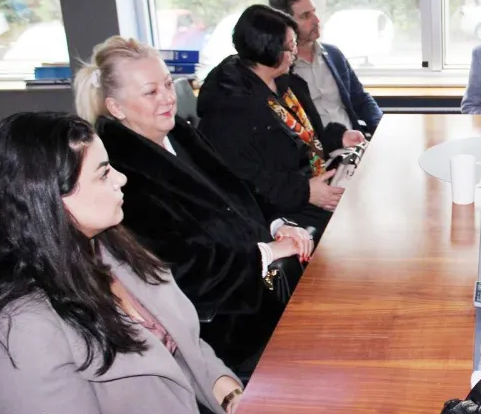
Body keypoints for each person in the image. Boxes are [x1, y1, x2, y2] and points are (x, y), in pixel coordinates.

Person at [0, 112, 243, 414]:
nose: (121, 179)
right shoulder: (18, 328)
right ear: (48, 197)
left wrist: (230, 394)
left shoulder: (107, 247)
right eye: (103, 174)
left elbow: (183, 340)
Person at [73, 36, 314, 376]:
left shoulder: (180, 134)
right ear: (116, 108)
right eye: (151, 92)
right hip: (226, 330)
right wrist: (266, 253)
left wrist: (278, 224)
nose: (167, 98)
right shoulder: (120, 174)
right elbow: (178, 272)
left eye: (167, 84)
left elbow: (238, 191)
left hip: (266, 292)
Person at [197, 5, 366, 238]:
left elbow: (303, 142)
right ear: (269, 50)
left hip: (311, 183)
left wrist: (338, 138)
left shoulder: (286, 85)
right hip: (279, 212)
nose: (295, 51)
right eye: (290, 46)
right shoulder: (229, 112)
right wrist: (305, 192)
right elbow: (245, 184)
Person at [268, 0, 383, 134]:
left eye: (314, 12)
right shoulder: (279, 68)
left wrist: (382, 128)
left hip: (355, 141)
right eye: (306, 16)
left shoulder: (333, 54)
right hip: (315, 146)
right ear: (285, 24)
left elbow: (361, 99)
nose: (316, 20)